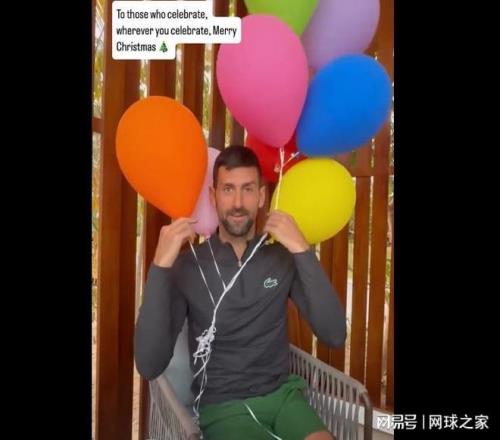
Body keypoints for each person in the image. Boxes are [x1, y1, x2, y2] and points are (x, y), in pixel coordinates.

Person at [135, 145, 346, 440]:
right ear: (213, 197)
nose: (237, 203)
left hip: (283, 397)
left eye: (247, 189)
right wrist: (160, 266)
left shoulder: (280, 257)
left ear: (261, 197)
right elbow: (149, 364)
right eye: (228, 189)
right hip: (223, 407)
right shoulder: (188, 266)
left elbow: (334, 335)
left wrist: (301, 248)